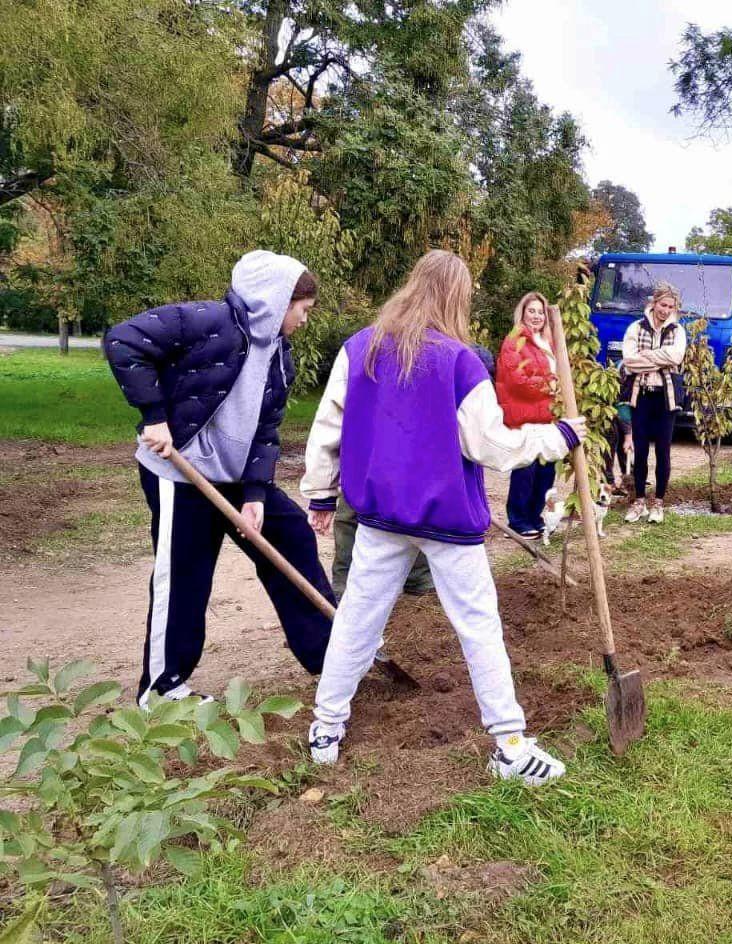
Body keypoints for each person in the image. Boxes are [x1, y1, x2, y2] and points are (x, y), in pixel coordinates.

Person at [300, 250, 585, 784]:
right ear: (456, 296)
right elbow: (491, 445)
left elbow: (327, 425)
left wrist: (320, 494)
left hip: (380, 517)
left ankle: (326, 726)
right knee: (478, 625)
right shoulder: (459, 362)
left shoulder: (359, 348)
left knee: (358, 618)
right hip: (447, 522)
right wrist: (560, 435)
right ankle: (509, 745)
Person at [104, 250, 333, 707]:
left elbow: (267, 431)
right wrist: (153, 415)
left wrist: (255, 495)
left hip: (234, 476)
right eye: (302, 310)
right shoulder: (205, 321)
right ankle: (162, 686)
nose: (305, 321)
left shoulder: (281, 357)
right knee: (185, 574)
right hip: (179, 472)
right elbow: (123, 341)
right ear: (277, 301)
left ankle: (330, 656)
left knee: (290, 538)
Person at [328, 343, 495, 597]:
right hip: (371, 461)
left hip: (418, 469)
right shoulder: (385, 357)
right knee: (353, 520)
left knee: (422, 520)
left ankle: (419, 584)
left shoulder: (450, 365)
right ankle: (343, 589)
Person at [621, 281, 686, 524]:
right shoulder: (636, 328)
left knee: (663, 451)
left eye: (670, 306)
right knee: (640, 450)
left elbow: (676, 356)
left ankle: (658, 502)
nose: (666, 310)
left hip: (665, 398)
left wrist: (645, 357)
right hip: (642, 396)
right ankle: (639, 501)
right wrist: (660, 360)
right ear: (653, 303)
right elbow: (629, 361)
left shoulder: (678, 331)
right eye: (662, 304)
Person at [496, 292, 559, 539]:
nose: (536, 316)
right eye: (531, 311)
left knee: (546, 470)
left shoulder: (547, 341)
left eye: (540, 312)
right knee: (526, 469)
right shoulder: (515, 341)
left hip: (548, 416)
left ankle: (535, 516)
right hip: (525, 416)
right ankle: (518, 519)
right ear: (522, 313)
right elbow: (516, 380)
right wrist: (549, 384)